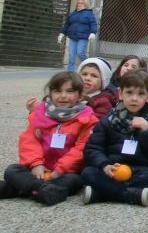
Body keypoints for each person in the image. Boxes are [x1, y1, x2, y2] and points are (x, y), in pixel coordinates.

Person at [0, 72, 97, 206]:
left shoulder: (87, 119)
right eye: (57, 91)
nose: (63, 96)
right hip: (39, 168)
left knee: (74, 180)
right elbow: (29, 141)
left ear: (80, 95)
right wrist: (36, 164)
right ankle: (42, 189)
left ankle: (19, 189)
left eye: (70, 91)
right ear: (50, 93)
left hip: (65, 171)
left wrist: (60, 170)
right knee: (12, 170)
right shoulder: (40, 113)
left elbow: (81, 148)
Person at [81, 70, 148, 206]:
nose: (134, 98)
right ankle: (130, 194)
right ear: (120, 94)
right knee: (88, 173)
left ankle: (101, 193)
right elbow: (93, 148)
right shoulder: (108, 120)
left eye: (141, 94)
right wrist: (104, 165)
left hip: (140, 168)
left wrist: (147, 129)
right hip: (112, 168)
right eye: (129, 93)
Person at [59, 0, 97, 72]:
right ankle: (71, 73)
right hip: (73, 36)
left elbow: (93, 23)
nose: (79, 4)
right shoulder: (73, 14)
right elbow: (67, 24)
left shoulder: (89, 13)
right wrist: (62, 33)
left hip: (83, 37)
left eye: (81, 3)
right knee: (71, 55)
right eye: (78, 3)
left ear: (85, 4)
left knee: (80, 53)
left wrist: (93, 32)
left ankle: (89, 64)